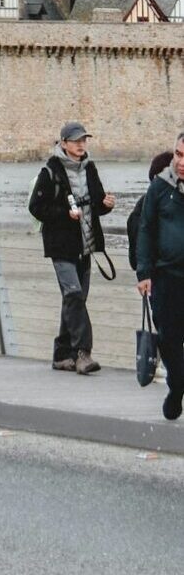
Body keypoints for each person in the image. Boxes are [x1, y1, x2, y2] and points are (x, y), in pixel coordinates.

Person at [29, 119, 114, 375]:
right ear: (64, 143)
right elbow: (36, 208)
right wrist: (65, 213)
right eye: (76, 141)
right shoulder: (50, 172)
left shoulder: (90, 169)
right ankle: (83, 353)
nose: (81, 144)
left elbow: (96, 204)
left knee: (74, 299)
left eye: (83, 140)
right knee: (75, 295)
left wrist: (106, 205)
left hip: (86, 245)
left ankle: (60, 355)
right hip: (61, 247)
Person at [134, 130, 184, 422]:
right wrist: (144, 272)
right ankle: (176, 387)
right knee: (169, 339)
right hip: (166, 277)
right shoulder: (159, 188)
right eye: (178, 155)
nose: (181, 162)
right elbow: (146, 230)